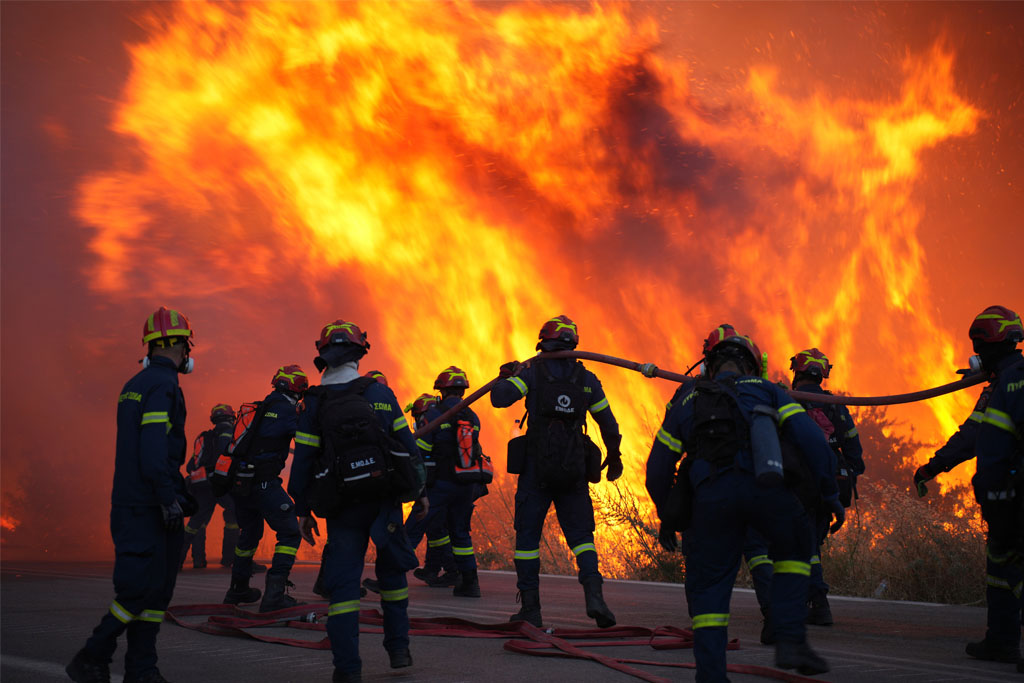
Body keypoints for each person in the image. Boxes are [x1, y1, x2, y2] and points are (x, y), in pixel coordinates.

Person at [646, 326, 841, 680]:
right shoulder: (768, 391)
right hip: (765, 489)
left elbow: (657, 469)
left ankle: (711, 676)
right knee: (797, 547)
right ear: (752, 365)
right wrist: (829, 495)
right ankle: (791, 637)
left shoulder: (688, 399)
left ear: (710, 362)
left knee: (710, 596)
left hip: (710, 501)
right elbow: (813, 443)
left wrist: (671, 514)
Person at [289, 319, 426, 683]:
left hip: (341, 506)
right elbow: (408, 448)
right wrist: (420, 493)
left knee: (344, 587)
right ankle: (399, 649)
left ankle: (347, 669)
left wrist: (302, 509)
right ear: (360, 354)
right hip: (384, 501)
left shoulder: (314, 403)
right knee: (393, 574)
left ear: (324, 357)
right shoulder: (379, 393)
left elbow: (303, 460)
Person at [66, 307, 196, 683]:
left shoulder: (134, 384)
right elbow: (154, 448)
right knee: (138, 591)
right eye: (186, 343)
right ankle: (93, 655)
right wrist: (166, 497)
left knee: (155, 594)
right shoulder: (164, 386)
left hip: (139, 502)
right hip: (148, 506)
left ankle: (142, 669)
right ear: (175, 344)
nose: (188, 351)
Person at [490, 315, 623, 628]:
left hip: (537, 470)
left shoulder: (533, 373)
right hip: (573, 469)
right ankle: (595, 597)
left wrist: (506, 376)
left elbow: (499, 398)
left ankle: (531, 610)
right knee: (582, 538)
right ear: (573, 344)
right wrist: (615, 456)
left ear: (543, 341)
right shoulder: (587, 379)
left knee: (527, 540)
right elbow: (608, 423)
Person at [915, 305, 1024, 667]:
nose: (977, 354)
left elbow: (980, 439)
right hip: (1005, 495)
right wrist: (935, 465)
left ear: (996, 345)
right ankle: (1001, 641)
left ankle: (1003, 641)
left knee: (1013, 566)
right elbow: (973, 435)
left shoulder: (1009, 385)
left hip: (1014, 494)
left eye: (981, 346)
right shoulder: (1002, 384)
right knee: (999, 568)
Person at [222, 365, 308, 613]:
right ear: (297, 389)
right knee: (290, 532)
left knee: (249, 534)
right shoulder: (285, 410)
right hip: (262, 482)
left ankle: (238, 588)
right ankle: (274, 595)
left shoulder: (262, 406)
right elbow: (304, 438)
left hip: (241, 483)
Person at [788, 348, 864, 626]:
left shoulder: (788, 401)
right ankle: (807, 601)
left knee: (802, 544)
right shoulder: (834, 406)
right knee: (811, 543)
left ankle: (817, 603)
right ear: (823, 375)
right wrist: (850, 474)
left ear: (797, 372)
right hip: (828, 485)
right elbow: (855, 450)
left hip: (797, 484)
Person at [413, 367, 484, 597]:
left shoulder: (432, 416)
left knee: (413, 527)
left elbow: (419, 454)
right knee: (460, 534)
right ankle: (470, 584)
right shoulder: (472, 417)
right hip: (466, 485)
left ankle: (388, 578)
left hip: (439, 485)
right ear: (463, 391)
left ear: (441, 391)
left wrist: (418, 487)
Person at [180, 404, 240, 570]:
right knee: (235, 515)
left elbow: (191, 465)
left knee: (196, 522)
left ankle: (182, 560)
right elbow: (227, 454)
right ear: (231, 416)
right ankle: (230, 559)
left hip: (202, 484)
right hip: (219, 484)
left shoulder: (204, 437)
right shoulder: (229, 432)